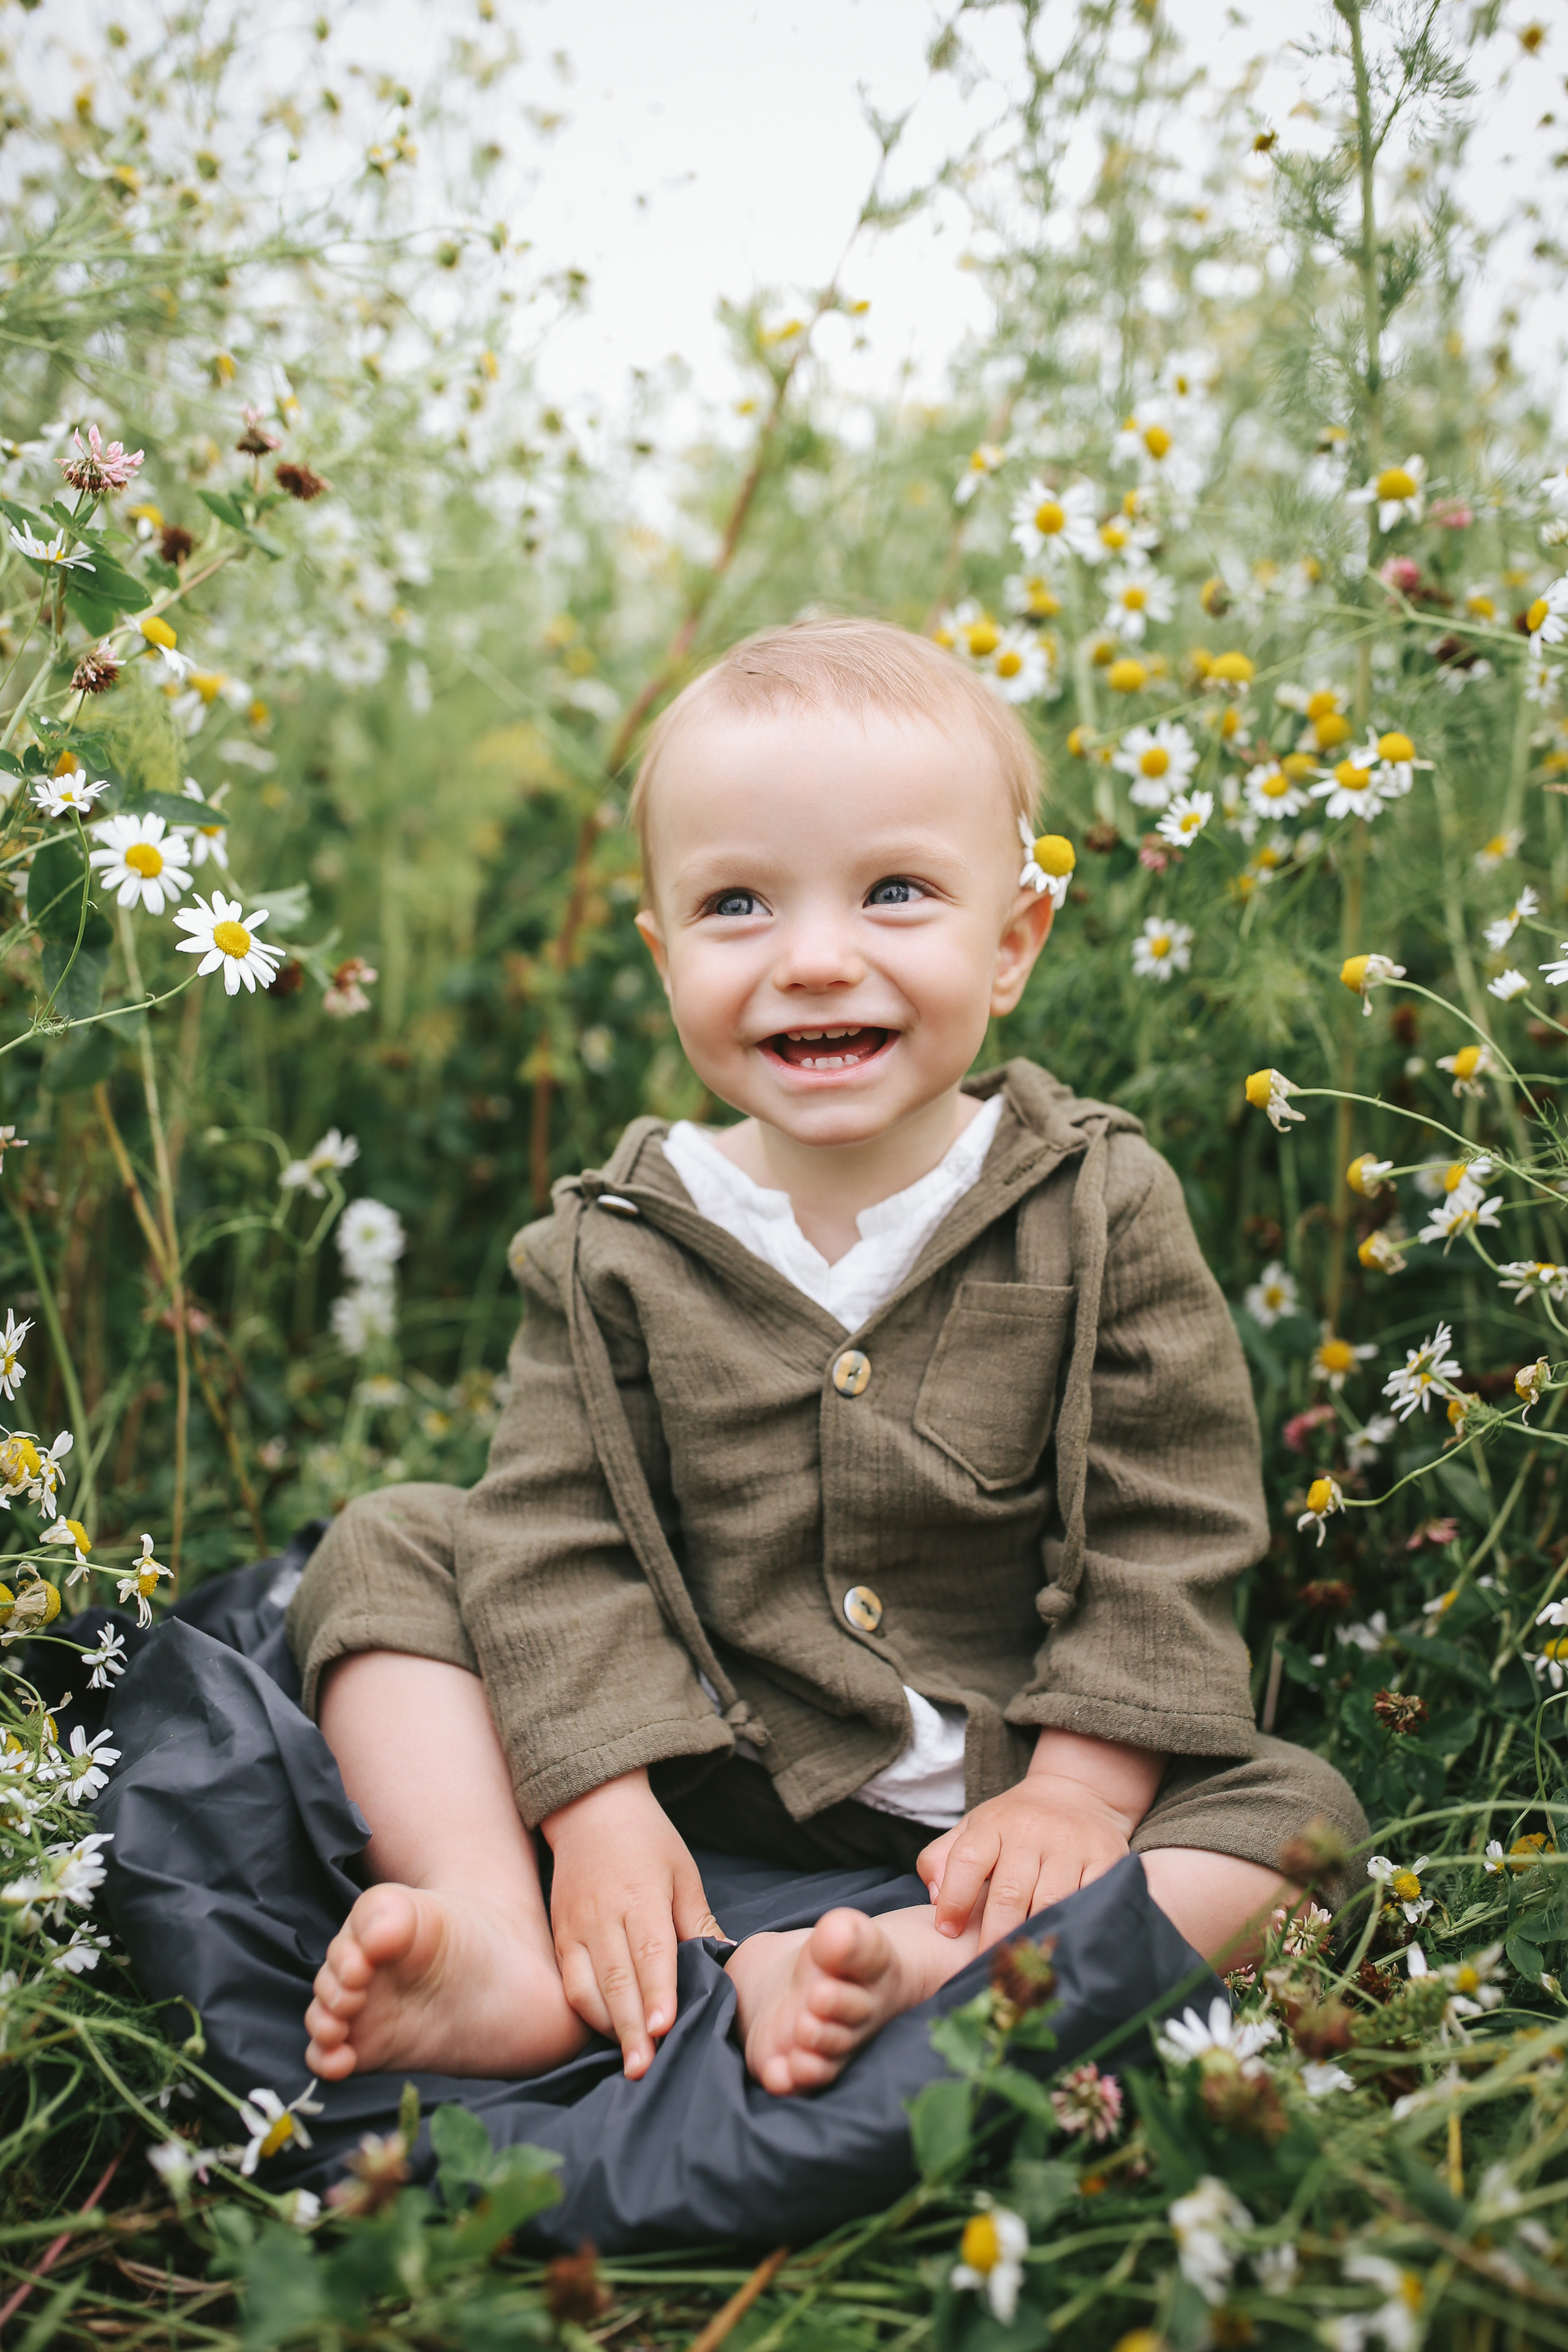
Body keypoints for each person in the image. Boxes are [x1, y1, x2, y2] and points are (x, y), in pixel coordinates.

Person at [287, 616, 1365, 2098]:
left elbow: (1163, 1521)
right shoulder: (618, 1241)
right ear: (663, 954)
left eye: (896, 892)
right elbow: (558, 1533)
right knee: (397, 1543)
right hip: (703, 1749)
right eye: (736, 905)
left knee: (1295, 1824)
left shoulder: (1095, 1204)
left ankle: (934, 1969)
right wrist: (597, 1806)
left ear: (1010, 944)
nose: (810, 959)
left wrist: (1074, 1788)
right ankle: (506, 1931)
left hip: (999, 1781)